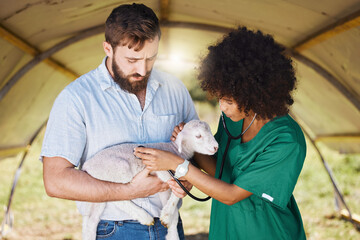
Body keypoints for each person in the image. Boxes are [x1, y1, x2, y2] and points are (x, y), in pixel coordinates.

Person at [40, 3, 197, 240]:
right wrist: (128, 191)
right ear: (108, 48)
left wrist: (189, 177)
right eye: (132, 59)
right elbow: (55, 181)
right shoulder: (76, 98)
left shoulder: (175, 89)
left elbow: (196, 149)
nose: (142, 70)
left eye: (150, 58)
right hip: (113, 229)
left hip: (171, 227)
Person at [134, 27, 307, 239]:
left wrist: (176, 164)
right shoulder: (233, 119)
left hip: (266, 231)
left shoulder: (286, 140)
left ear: (255, 94)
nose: (222, 108)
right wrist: (191, 145)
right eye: (220, 98)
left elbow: (232, 194)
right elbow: (221, 170)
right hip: (225, 228)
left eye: (229, 101)